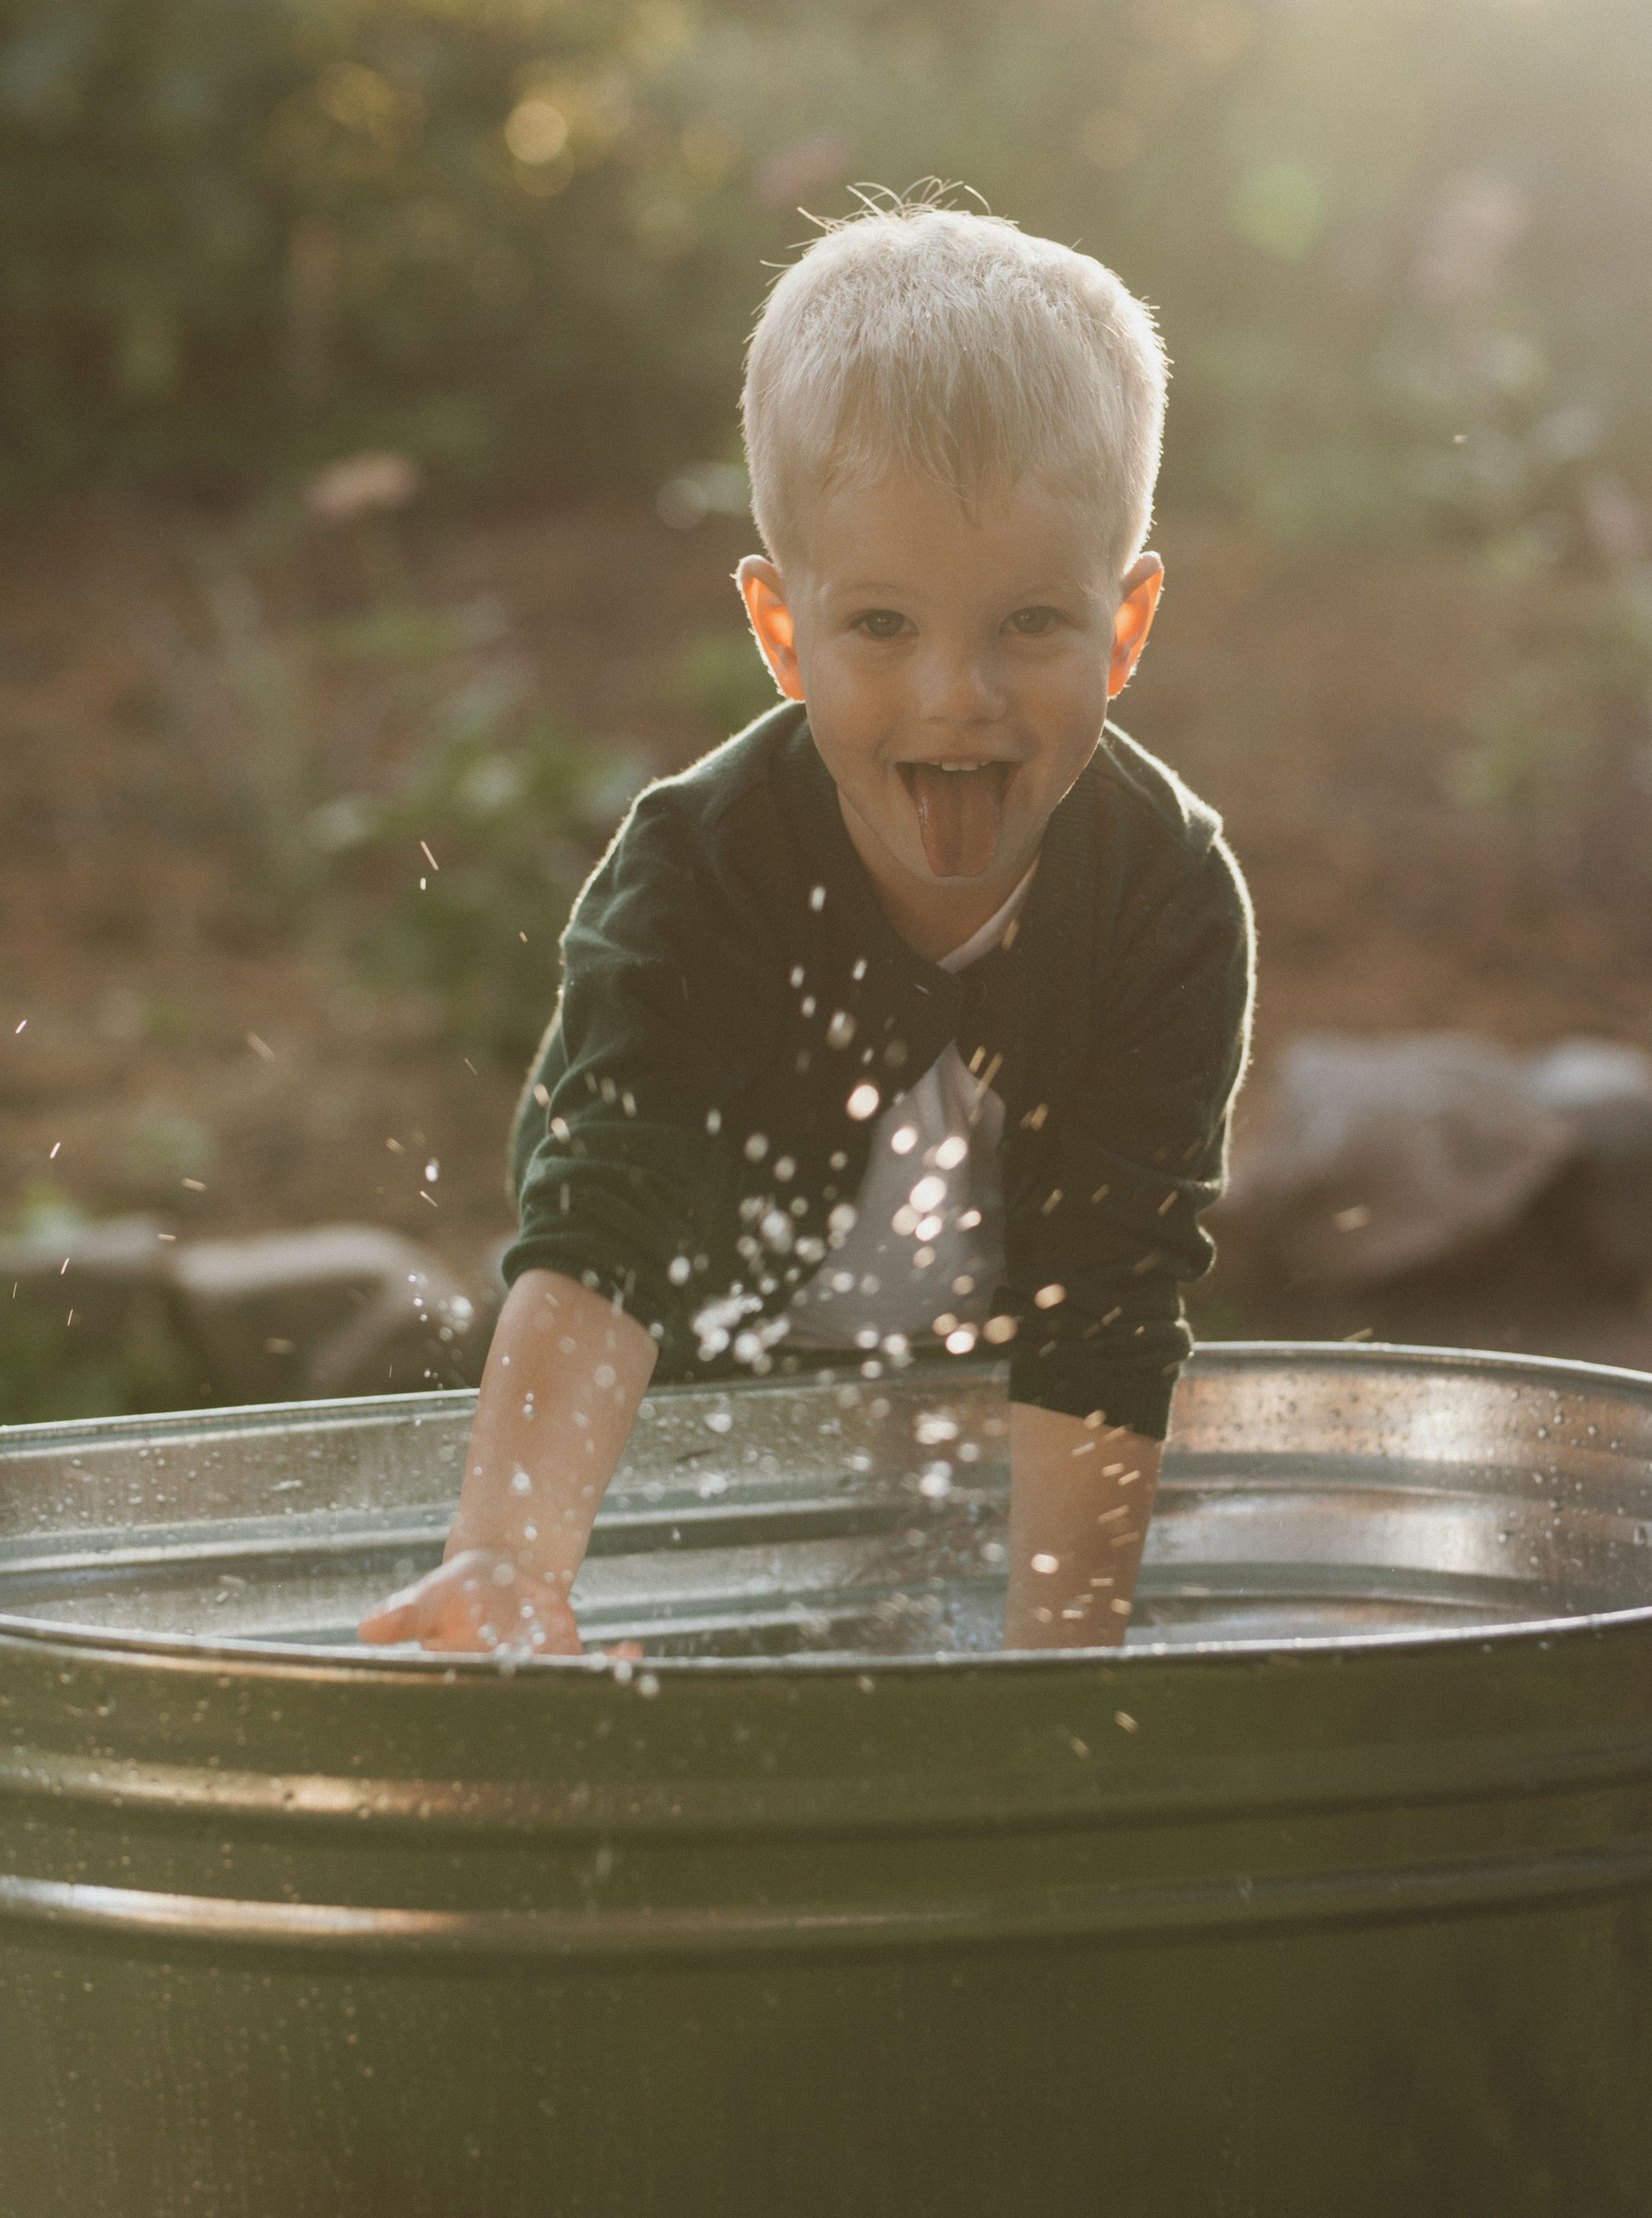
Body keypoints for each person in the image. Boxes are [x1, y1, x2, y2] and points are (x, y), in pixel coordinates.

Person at [360, 194, 1254, 1660]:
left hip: (972, 1434)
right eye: (883, 627)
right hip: (688, 1425)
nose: (957, 693)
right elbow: (602, 1236)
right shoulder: (701, 875)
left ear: (1127, 623)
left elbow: (1111, 1300)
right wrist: (512, 1558)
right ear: (782, 633)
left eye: (1031, 621)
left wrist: (1058, 1688)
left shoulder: (1161, 901)